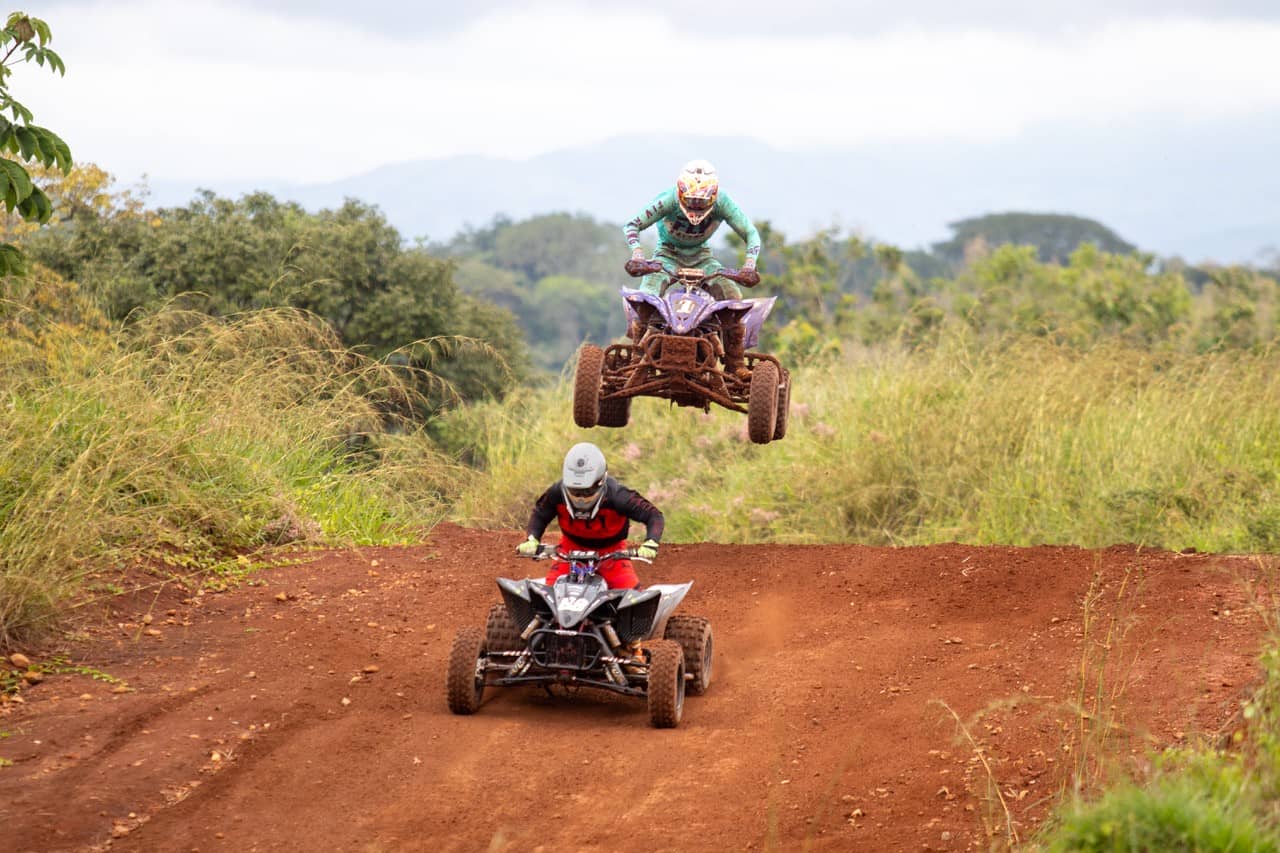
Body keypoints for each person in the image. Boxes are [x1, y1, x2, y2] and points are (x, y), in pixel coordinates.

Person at [622, 159, 763, 378]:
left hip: (703, 258)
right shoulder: (668, 199)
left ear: (714, 195)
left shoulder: (723, 203)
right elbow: (632, 224)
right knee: (645, 298)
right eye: (690, 199)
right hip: (667, 255)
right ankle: (637, 357)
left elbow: (750, 232)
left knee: (734, 299)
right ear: (680, 192)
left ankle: (735, 363)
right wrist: (638, 254)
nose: (696, 205)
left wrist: (749, 265)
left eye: (702, 201)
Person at [516, 442, 663, 589]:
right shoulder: (556, 493)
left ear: (601, 482)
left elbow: (654, 515)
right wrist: (532, 539)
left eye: (587, 491)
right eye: (574, 491)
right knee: (548, 596)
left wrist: (651, 542)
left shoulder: (618, 496)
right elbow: (540, 514)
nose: (580, 498)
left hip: (612, 554)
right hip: (569, 551)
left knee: (631, 598)